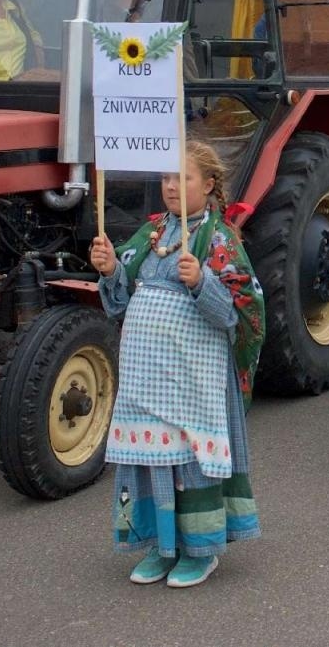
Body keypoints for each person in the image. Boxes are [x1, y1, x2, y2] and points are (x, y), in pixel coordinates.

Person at [89, 140, 265, 589]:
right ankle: (159, 545)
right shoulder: (151, 235)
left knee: (189, 461)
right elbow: (120, 296)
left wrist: (202, 281)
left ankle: (199, 551)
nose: (170, 186)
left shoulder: (219, 239)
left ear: (207, 185)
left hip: (193, 378)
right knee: (151, 458)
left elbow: (242, 311)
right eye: (165, 178)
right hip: (147, 379)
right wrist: (110, 269)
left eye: (181, 178)